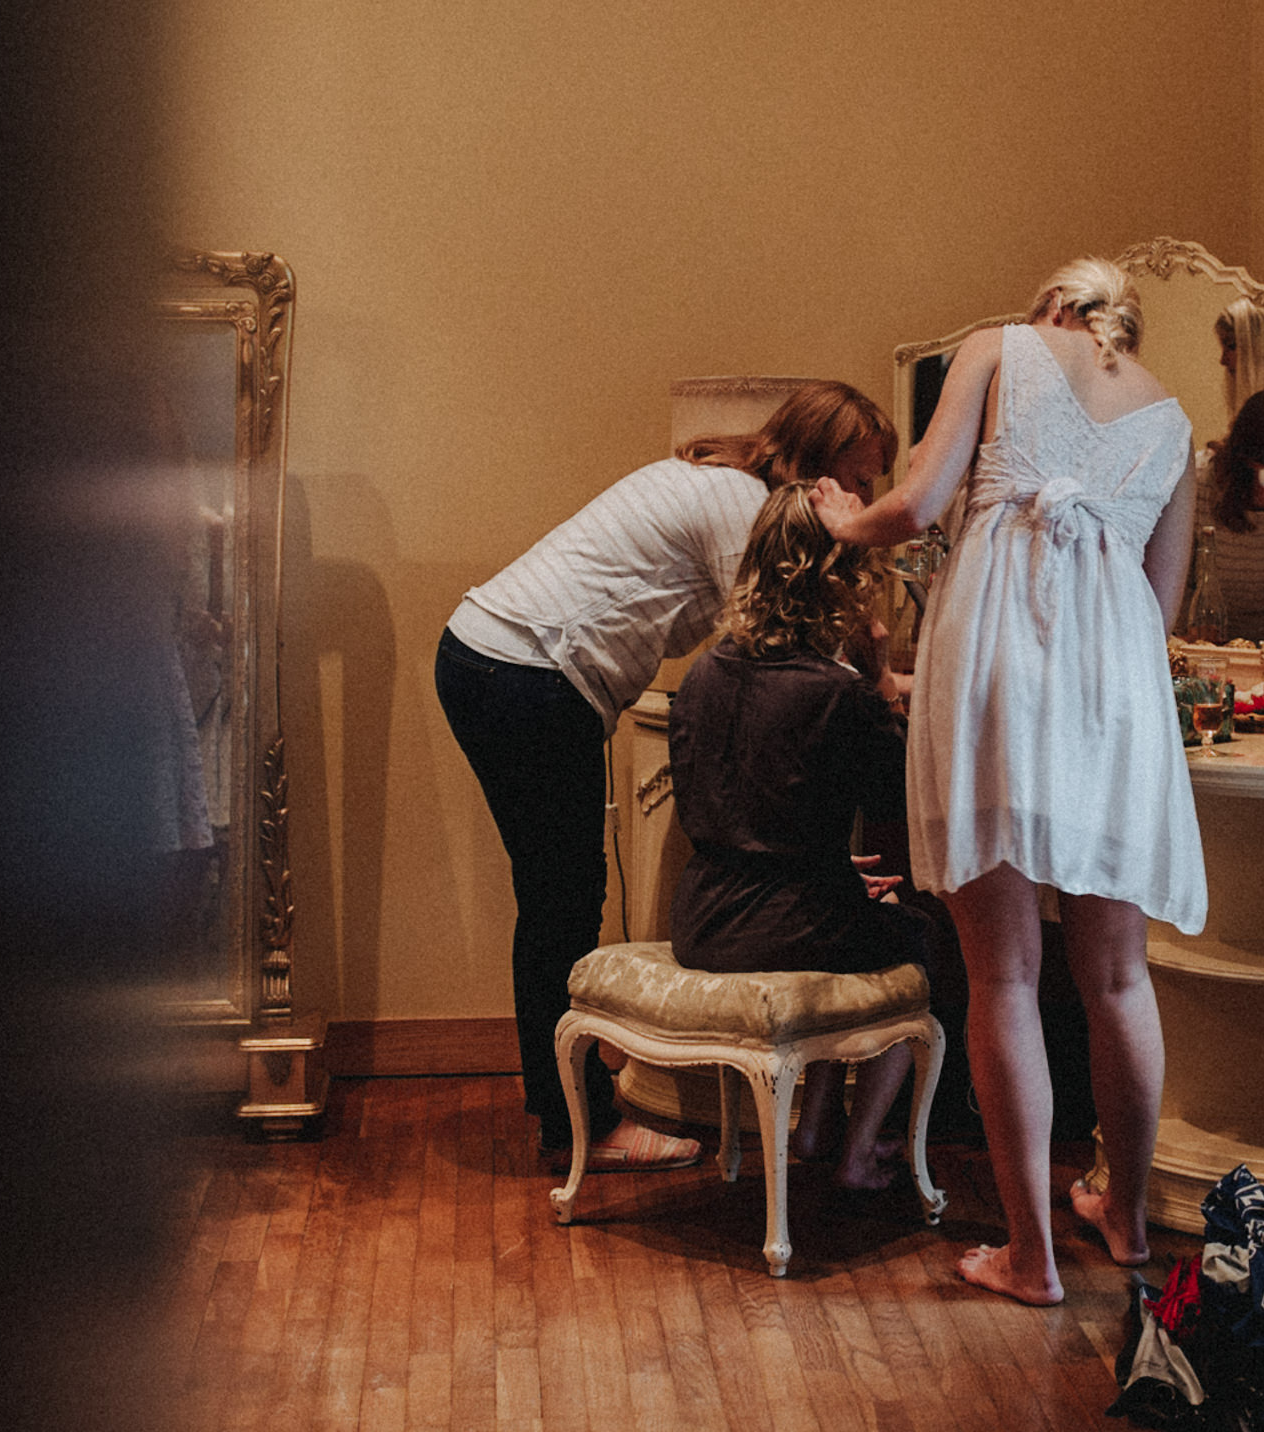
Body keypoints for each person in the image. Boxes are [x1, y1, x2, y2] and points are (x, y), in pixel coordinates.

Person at [814, 256, 1206, 1304]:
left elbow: (919, 500)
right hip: (1110, 683)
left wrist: (840, 520)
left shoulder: (996, 346)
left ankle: (1028, 1254)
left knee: (1003, 973)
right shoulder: (1172, 424)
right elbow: (1159, 610)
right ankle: (1121, 1212)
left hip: (997, 669)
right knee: (1117, 973)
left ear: (1052, 309)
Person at [436, 381, 899, 1170]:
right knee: (560, 902)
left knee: (553, 898)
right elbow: (781, 635)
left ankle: (565, 1098)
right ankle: (574, 1122)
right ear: (818, 467)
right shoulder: (740, 505)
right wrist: (881, 676)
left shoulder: (723, 487)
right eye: (857, 479)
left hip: (491, 654)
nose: (863, 499)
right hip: (530, 671)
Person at [667, 483, 929, 1191]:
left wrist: (832, 874)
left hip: (701, 917)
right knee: (920, 943)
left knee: (860, 918)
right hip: (788, 921)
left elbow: (737, 810)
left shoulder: (701, 674)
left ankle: (814, 1129)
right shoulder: (836, 691)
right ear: (841, 584)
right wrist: (878, 681)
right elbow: (896, 797)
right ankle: (857, 1151)